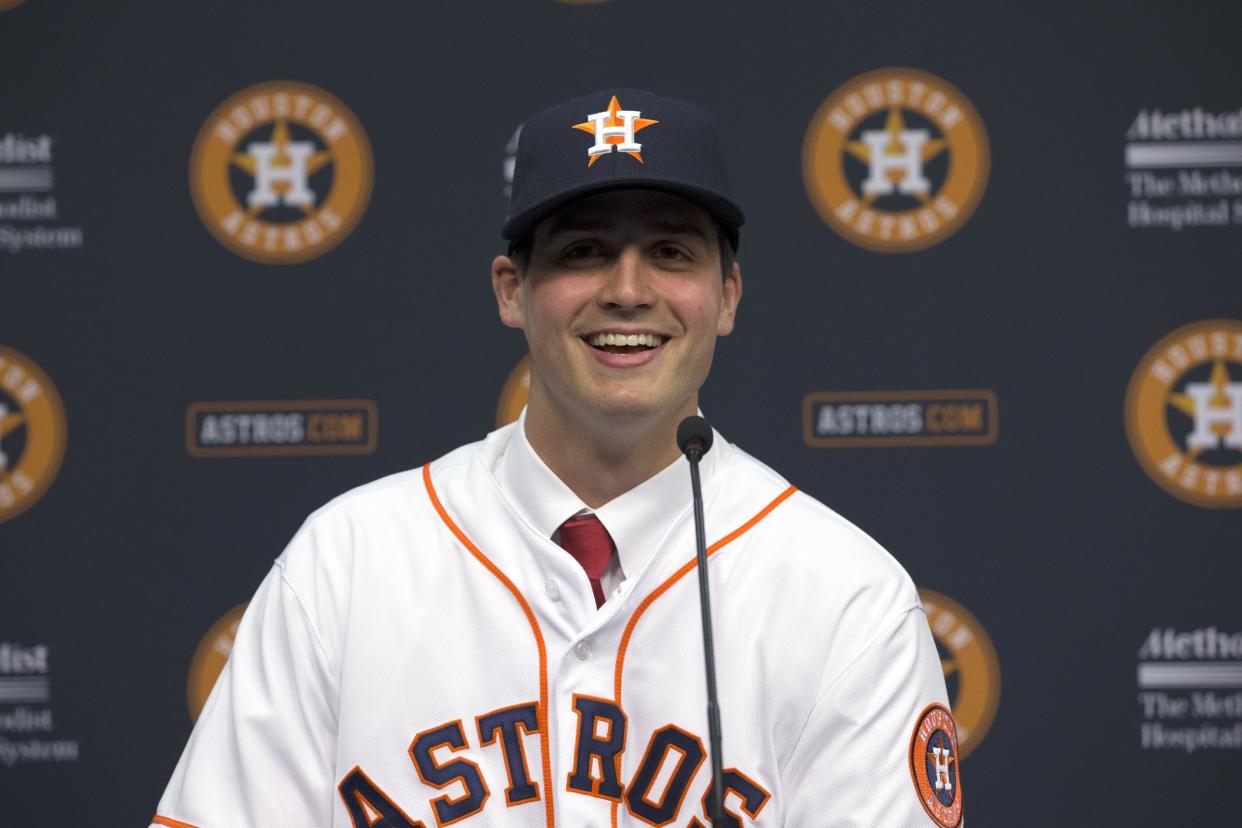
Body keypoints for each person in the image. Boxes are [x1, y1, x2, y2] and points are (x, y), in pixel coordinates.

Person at [149, 88, 962, 828]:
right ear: (510, 289)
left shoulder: (846, 600)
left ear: (727, 297)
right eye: (582, 252)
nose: (628, 290)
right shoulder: (349, 562)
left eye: (673, 253)